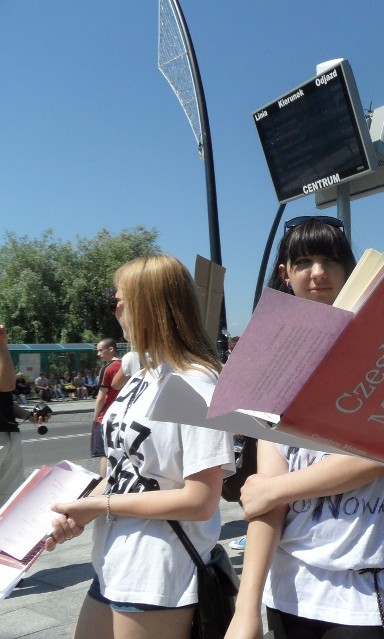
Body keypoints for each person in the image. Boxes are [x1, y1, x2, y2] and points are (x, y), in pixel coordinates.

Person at [225, 216, 384, 639]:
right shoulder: (271, 361)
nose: (317, 273)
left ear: (349, 268)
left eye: (330, 260)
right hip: (290, 589)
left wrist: (276, 489)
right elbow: (265, 497)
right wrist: (247, 606)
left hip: (368, 591)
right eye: (303, 262)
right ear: (285, 274)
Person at [46, 254, 235, 639]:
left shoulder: (197, 383)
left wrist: (99, 505)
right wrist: (79, 514)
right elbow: (122, 471)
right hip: (113, 562)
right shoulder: (141, 375)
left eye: (120, 300)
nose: (114, 309)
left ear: (150, 304)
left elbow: (200, 499)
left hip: (159, 572)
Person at [1, 325, 50, 505]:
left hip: (10, 436)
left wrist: (30, 416)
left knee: (11, 502)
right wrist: (3, 345)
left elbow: (5, 399)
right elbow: (7, 385)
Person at [91, 337, 122, 478]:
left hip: (106, 417)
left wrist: (95, 417)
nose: (98, 354)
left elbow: (101, 397)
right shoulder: (127, 367)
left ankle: (104, 485)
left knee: (104, 453)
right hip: (123, 416)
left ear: (111, 349)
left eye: (100, 350)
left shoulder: (108, 368)